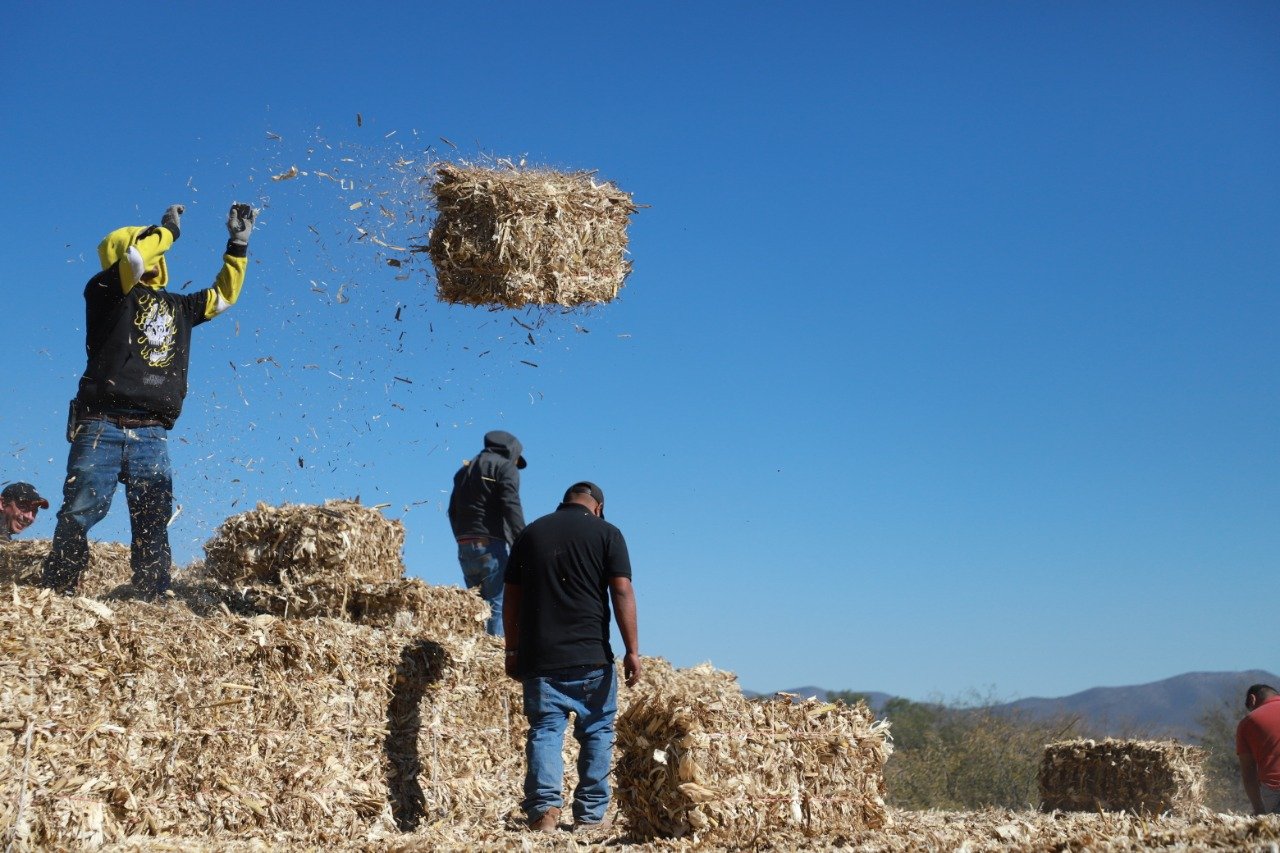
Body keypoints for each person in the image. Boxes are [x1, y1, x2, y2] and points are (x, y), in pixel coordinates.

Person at [41, 202, 254, 599]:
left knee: (153, 519)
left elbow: (224, 296)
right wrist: (169, 231)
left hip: (152, 432)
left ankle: (150, 596)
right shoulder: (106, 292)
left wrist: (238, 245)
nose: (157, 253)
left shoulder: (180, 306)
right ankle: (59, 590)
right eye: (147, 243)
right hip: (101, 425)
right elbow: (136, 261)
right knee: (79, 511)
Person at [503, 481, 641, 833]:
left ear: (563, 501)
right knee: (596, 731)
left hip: (540, 658)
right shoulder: (608, 533)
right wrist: (632, 651)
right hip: (591, 655)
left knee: (545, 731)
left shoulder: (530, 533)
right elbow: (621, 591)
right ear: (598, 508)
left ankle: (544, 813)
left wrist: (512, 649)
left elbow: (511, 597)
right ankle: (590, 818)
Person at [447, 430, 527, 635]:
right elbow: (511, 506)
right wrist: (523, 543)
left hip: (465, 546)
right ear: (511, 452)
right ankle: (494, 648)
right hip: (491, 546)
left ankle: (475, 647)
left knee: (475, 607)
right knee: (498, 604)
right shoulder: (505, 467)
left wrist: (462, 538)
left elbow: (452, 511)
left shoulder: (463, 471)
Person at [1237, 683, 1280, 814]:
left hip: (1274, 790)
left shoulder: (1248, 722)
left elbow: (1248, 772)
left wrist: (1258, 809)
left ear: (1252, 699)